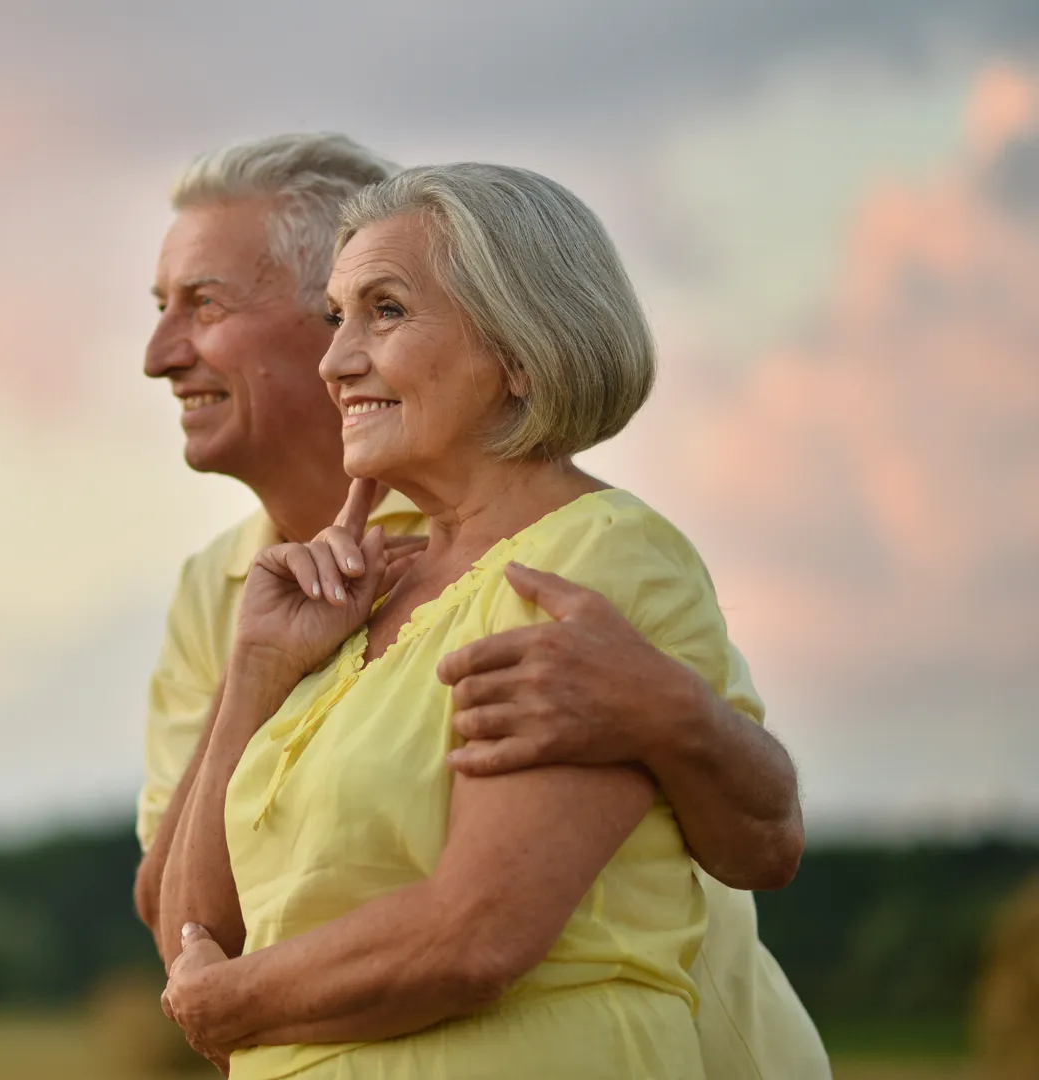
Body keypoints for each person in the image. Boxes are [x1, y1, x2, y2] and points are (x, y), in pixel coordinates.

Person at [135, 141, 826, 1078]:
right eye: (338, 316)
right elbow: (190, 924)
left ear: (521, 353)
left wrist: (232, 1001)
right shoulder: (307, 593)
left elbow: (482, 931)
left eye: (381, 311)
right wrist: (257, 667)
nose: (338, 356)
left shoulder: (585, 555)